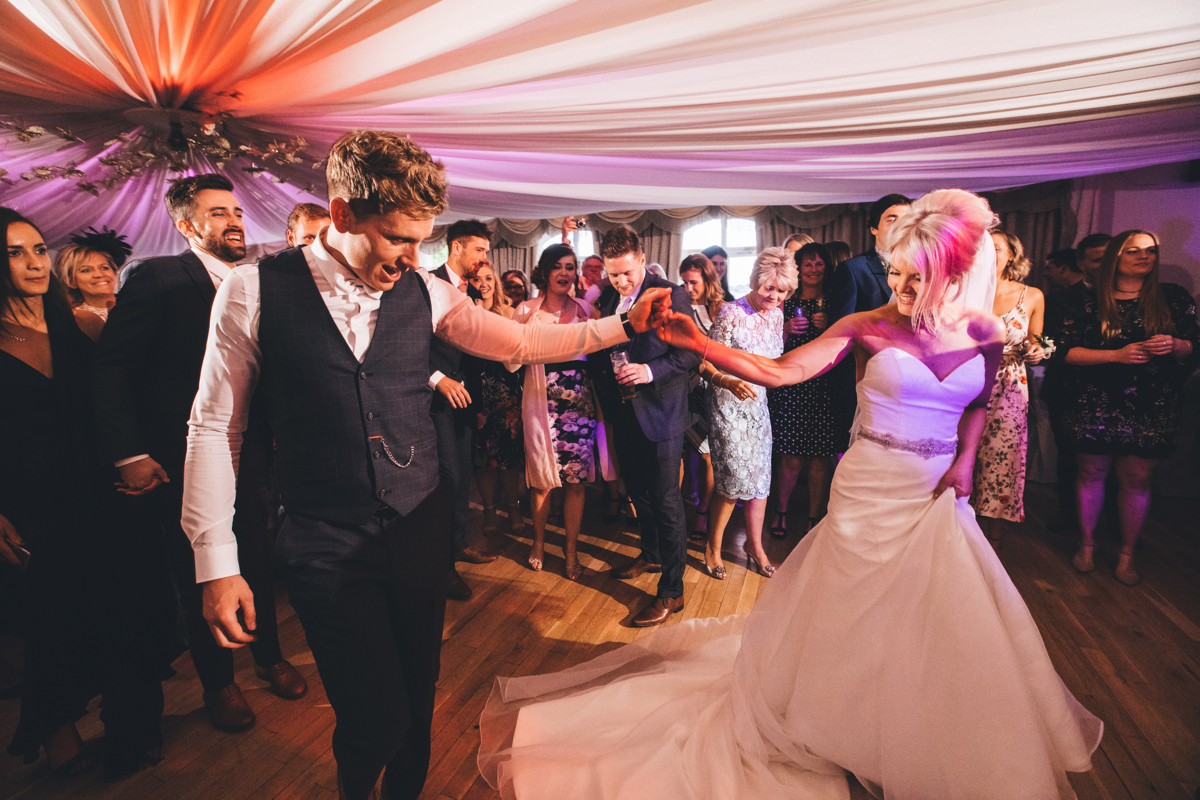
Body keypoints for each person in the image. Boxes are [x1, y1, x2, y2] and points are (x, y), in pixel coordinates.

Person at [478, 188, 1102, 799]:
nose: (904, 292)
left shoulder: (988, 332)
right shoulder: (868, 324)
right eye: (898, 276)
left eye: (919, 280)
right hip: (869, 487)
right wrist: (700, 345)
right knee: (854, 607)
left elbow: (981, 406)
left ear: (957, 276)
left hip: (936, 494)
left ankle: (910, 717)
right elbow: (782, 370)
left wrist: (965, 461)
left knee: (931, 613)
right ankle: (838, 719)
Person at [182, 130, 665, 800]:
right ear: (343, 213)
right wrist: (217, 560)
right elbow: (214, 426)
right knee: (372, 718)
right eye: (397, 238)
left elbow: (522, 341)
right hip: (323, 535)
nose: (414, 258)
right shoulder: (251, 291)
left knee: (418, 692)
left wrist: (626, 324)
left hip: (416, 521)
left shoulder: (426, 292)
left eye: (422, 240)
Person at [91, 174, 305, 733]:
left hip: (254, 448)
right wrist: (128, 453)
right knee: (199, 568)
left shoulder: (258, 281)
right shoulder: (158, 277)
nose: (234, 220)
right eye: (217, 213)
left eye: (236, 211)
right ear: (187, 226)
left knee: (255, 556)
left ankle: (269, 656)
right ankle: (220, 684)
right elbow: (111, 369)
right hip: (178, 452)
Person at [1, 208, 175, 782]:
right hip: (33, 505)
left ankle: (134, 729)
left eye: (36, 249)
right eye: (13, 252)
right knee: (54, 622)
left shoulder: (83, 324)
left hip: (104, 495)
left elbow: (126, 403)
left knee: (129, 609)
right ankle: (56, 732)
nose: (31, 262)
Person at [1057, 230, 1199, 585]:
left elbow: (1195, 346)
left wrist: (1177, 344)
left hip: (1151, 403)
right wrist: (1115, 355)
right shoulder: (1086, 300)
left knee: (1138, 480)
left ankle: (1126, 554)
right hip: (1095, 400)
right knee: (1091, 475)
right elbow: (1064, 353)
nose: (1143, 256)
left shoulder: (1173, 297)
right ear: (1116, 257)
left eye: (1150, 250)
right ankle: (1087, 545)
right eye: (1133, 250)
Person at [591, 227, 700, 627]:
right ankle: (651, 555)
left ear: (641, 258)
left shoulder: (673, 293)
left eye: (627, 273)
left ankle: (673, 591)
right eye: (613, 274)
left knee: (667, 500)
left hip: (662, 413)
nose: (621, 281)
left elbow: (691, 355)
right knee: (638, 492)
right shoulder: (605, 299)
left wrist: (649, 370)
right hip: (622, 415)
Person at [511, 245, 602, 580]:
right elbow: (510, 358)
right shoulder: (525, 311)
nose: (564, 273)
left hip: (579, 409)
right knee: (541, 482)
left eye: (570, 267)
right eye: (557, 267)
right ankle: (537, 542)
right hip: (540, 406)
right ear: (545, 272)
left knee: (575, 483)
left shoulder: (587, 310)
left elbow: (600, 358)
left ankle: (571, 552)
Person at [700, 248, 791, 580]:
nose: (774, 296)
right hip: (727, 404)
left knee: (761, 479)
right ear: (755, 282)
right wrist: (729, 382)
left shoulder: (778, 316)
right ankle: (712, 546)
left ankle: (755, 545)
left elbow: (772, 364)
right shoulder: (730, 313)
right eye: (769, 288)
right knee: (733, 480)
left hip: (758, 405)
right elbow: (705, 362)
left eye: (781, 292)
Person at [768, 242, 855, 538]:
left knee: (820, 458)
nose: (814, 269)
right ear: (799, 269)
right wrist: (786, 329)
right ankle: (780, 511)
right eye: (808, 264)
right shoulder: (784, 302)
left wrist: (830, 324)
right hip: (792, 387)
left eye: (819, 264)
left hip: (825, 386)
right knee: (790, 457)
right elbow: (766, 343)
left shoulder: (836, 302)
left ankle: (814, 517)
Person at [429, 218, 495, 600]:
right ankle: (442, 567)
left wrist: (480, 405)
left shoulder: (473, 293)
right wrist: (438, 378)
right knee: (448, 479)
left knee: (463, 478)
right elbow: (405, 345)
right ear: (456, 247)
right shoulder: (427, 285)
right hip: (433, 400)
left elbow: (476, 355)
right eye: (479, 250)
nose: (483, 258)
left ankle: (457, 544)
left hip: (467, 404)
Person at [972, 231, 1045, 543]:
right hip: (969, 377)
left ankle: (994, 539)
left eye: (995, 247)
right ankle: (955, 528)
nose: (986, 252)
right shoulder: (965, 291)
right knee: (960, 452)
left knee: (1002, 458)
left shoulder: (1032, 295)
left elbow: (1036, 338)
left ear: (1012, 255)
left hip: (1009, 384)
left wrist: (1039, 349)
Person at [1041, 233, 1113, 531]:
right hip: (1068, 392)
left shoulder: (1138, 300)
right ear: (1082, 264)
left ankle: (1114, 523)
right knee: (1070, 459)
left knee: (1119, 465)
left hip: (1121, 394)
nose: (1108, 264)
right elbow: (1049, 348)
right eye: (1099, 259)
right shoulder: (1058, 300)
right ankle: (1071, 518)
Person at [465, 260, 526, 538]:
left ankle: (513, 507)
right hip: (476, 394)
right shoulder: (464, 312)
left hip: (506, 393)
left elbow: (517, 355)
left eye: (488, 278)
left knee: (509, 457)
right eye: (477, 279)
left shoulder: (510, 313)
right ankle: (489, 508)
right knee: (483, 459)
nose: (484, 284)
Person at [678, 254, 726, 539]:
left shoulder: (723, 309)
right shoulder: (679, 308)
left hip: (713, 390)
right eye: (683, 281)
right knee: (682, 455)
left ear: (708, 280)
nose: (687, 288)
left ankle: (703, 514)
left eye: (693, 282)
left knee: (708, 456)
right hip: (684, 389)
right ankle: (678, 514)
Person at [840, 193, 912, 312]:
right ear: (874, 228)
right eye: (892, 220)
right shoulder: (854, 269)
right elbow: (841, 326)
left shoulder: (924, 267)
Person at [54, 243, 119, 340]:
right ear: (71, 281)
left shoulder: (136, 303)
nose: (99, 274)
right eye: (86, 270)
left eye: (104, 267)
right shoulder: (73, 320)